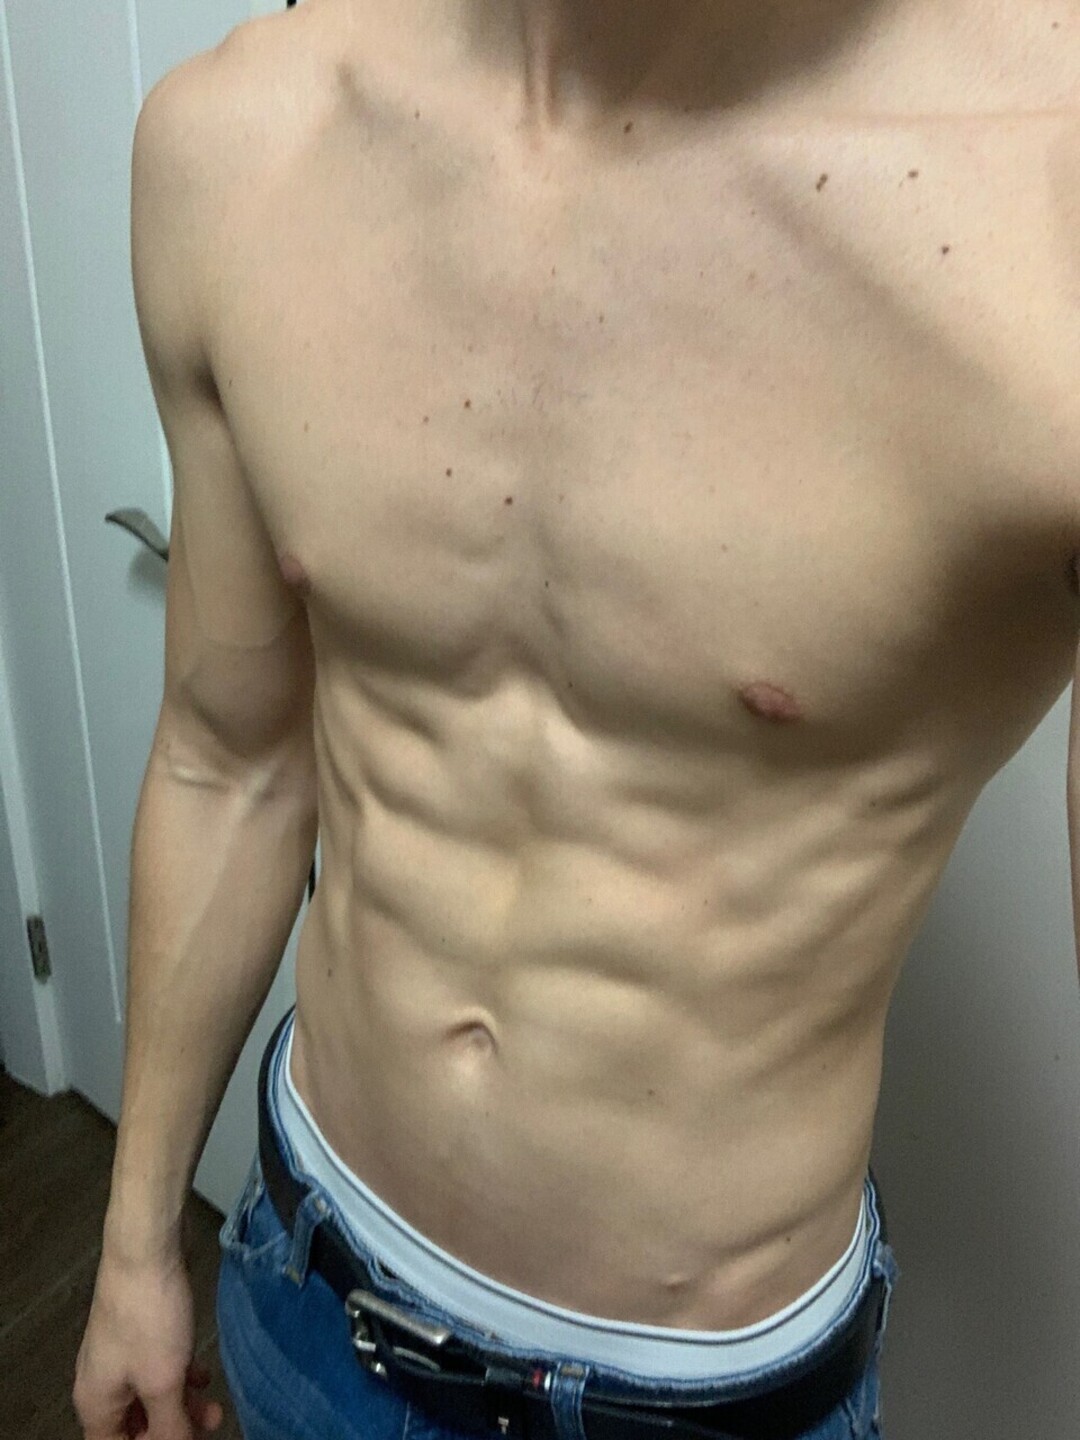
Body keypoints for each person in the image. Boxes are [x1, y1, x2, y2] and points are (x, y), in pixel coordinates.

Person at [73, 1, 1080, 1437]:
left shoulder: (1048, 197)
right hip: (298, 1296)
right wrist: (131, 1246)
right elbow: (225, 758)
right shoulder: (238, 139)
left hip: (707, 1403)